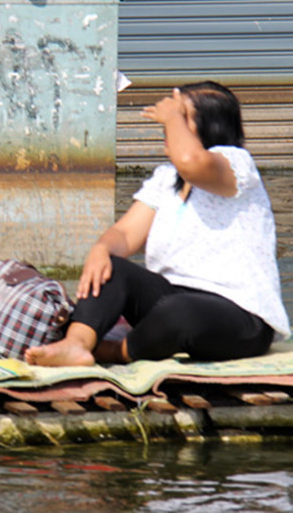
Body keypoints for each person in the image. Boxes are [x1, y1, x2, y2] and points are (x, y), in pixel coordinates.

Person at [25, 81, 290, 367]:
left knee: (178, 311)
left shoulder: (238, 165)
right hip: (171, 297)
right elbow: (125, 234)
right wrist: (101, 249)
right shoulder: (166, 178)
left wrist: (172, 115)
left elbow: (191, 160)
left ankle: (118, 351)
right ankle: (76, 345)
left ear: (210, 125)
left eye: (181, 116)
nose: (168, 123)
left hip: (240, 316)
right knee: (111, 267)